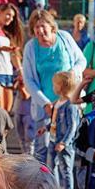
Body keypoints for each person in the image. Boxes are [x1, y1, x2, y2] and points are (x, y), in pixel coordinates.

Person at [22, 10, 87, 165]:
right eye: (36, 28)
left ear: (52, 26)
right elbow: (29, 80)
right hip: (45, 107)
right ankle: (42, 185)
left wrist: (73, 72)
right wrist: (45, 103)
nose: (39, 31)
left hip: (67, 105)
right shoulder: (31, 47)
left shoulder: (64, 38)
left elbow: (81, 61)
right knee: (42, 149)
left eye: (42, 26)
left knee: (67, 148)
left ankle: (67, 187)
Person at [48, 71, 80, 189]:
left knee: (66, 169)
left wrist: (64, 142)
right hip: (53, 139)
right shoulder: (57, 103)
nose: (53, 87)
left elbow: (73, 126)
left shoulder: (70, 105)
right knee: (51, 166)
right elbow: (54, 121)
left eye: (54, 84)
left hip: (63, 143)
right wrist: (45, 127)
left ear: (61, 86)